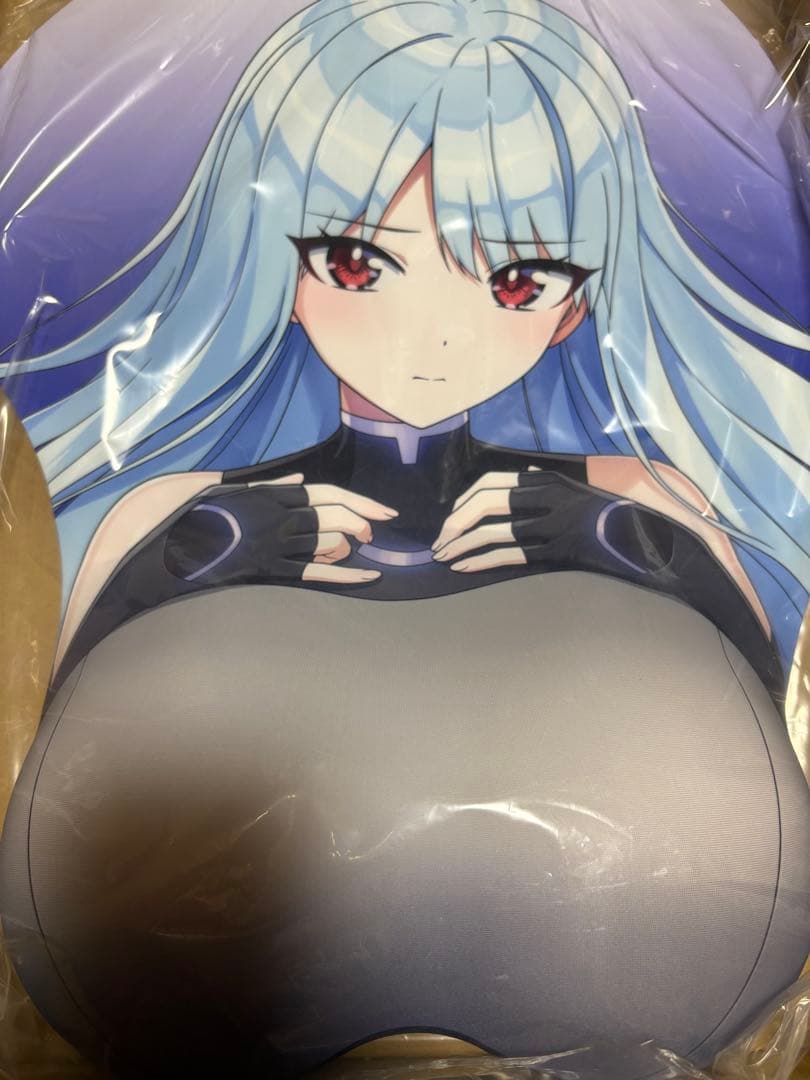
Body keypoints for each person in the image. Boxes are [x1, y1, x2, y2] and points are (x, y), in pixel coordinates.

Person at [3, 0, 808, 692]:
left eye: (520, 282)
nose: (437, 331)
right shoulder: (169, 513)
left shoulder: (638, 495)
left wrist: (614, 537)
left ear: (575, 308)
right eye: (355, 264)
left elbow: (765, 700)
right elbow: (51, 723)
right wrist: (195, 553)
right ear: (274, 273)